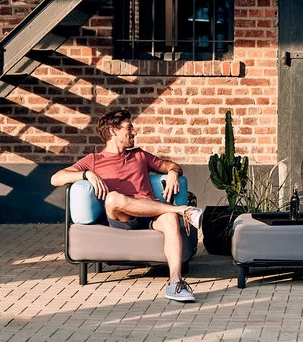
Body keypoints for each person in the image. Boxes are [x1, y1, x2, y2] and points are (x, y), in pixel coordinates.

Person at [50, 109, 204, 302]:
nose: (134, 132)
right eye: (129, 128)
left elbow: (171, 165)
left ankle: (175, 282)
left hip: (151, 214)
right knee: (113, 198)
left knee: (171, 219)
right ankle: (183, 210)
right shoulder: (94, 160)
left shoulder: (140, 155)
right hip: (123, 218)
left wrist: (173, 173)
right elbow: (55, 178)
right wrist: (86, 174)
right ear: (113, 131)